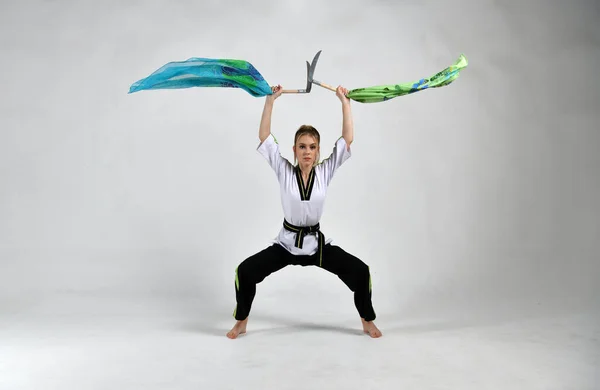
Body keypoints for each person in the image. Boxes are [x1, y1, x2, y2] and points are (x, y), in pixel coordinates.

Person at [226, 84, 382, 339]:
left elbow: (347, 139)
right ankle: (241, 321)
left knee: (360, 272)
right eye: (302, 146)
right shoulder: (284, 170)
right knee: (245, 272)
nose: (307, 151)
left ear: (318, 150)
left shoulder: (325, 171)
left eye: (312, 146)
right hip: (286, 244)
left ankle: (367, 320)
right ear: (294, 150)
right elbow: (265, 137)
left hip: (316, 246)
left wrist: (345, 102)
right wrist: (270, 101)